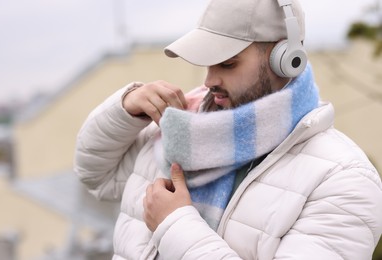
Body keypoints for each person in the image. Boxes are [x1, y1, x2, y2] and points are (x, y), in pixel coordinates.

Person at [74, 0, 382, 259]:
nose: (209, 80)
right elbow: (96, 175)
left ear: (285, 59)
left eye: (228, 64)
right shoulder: (183, 127)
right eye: (209, 64)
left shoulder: (343, 178)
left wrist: (175, 225)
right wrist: (125, 108)